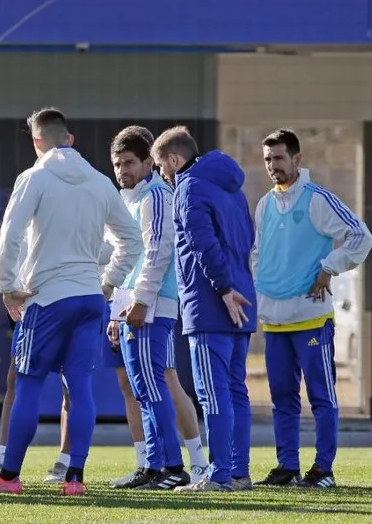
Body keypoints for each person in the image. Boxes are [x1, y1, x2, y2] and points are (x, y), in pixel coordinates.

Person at [0, 107, 142, 496]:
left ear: (36, 142)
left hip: (47, 298)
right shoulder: (101, 182)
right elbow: (131, 241)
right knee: (81, 387)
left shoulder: (34, 177)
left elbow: (10, 236)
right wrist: (109, 283)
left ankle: (9, 477)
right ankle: (75, 479)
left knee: (28, 385)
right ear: (70, 139)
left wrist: (6, 285)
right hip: (88, 298)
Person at [252, 129, 372, 488]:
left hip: (311, 317)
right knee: (282, 399)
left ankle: (323, 470)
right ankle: (287, 467)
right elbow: (258, 255)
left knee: (321, 396)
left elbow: (360, 235)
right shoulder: (263, 205)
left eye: (278, 158)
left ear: (297, 160)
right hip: (274, 320)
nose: (273, 165)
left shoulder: (318, 199)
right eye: (267, 159)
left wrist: (329, 267)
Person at [152, 126, 255, 492]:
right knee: (235, 390)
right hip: (242, 299)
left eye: (161, 166)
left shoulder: (189, 187)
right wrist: (234, 287)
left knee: (214, 393)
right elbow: (247, 238)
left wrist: (223, 289)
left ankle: (220, 474)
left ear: (175, 160)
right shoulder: (233, 188)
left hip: (212, 304)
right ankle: (239, 472)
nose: (161, 174)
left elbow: (201, 242)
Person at [105, 126, 208, 487]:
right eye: (117, 164)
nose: (122, 171)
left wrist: (140, 301)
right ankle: (153, 465)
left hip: (153, 304)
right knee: (142, 388)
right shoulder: (128, 199)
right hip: (132, 304)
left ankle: (173, 467)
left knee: (154, 385)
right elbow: (121, 258)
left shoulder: (157, 196)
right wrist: (119, 305)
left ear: (149, 161)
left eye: (129, 163)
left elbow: (158, 254)